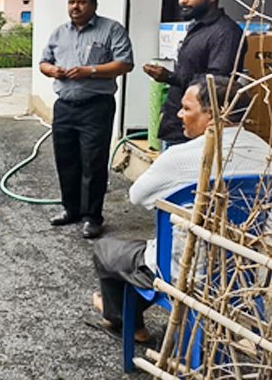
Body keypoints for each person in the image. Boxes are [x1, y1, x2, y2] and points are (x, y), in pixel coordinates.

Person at [91, 76, 268, 341]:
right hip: (244, 268)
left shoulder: (180, 156)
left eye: (186, 108)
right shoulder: (264, 150)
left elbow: (137, 195)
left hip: (189, 269)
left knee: (107, 249)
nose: (178, 114)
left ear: (212, 115)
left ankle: (123, 322)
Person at [40, 0, 134, 239]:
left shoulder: (111, 29)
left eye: (81, 2)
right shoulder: (59, 33)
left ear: (94, 5)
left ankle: (93, 217)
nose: (75, 7)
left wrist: (89, 70)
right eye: (71, 2)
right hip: (65, 107)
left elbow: (125, 63)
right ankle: (71, 210)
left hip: (96, 107)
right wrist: (52, 70)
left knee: (93, 163)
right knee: (66, 160)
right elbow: (43, 62)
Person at [142, 0, 245, 148]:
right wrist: (168, 110)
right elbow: (190, 71)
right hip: (176, 125)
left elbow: (216, 84)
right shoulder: (196, 27)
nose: (183, 0)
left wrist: (170, 77)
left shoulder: (225, 33)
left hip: (198, 134)